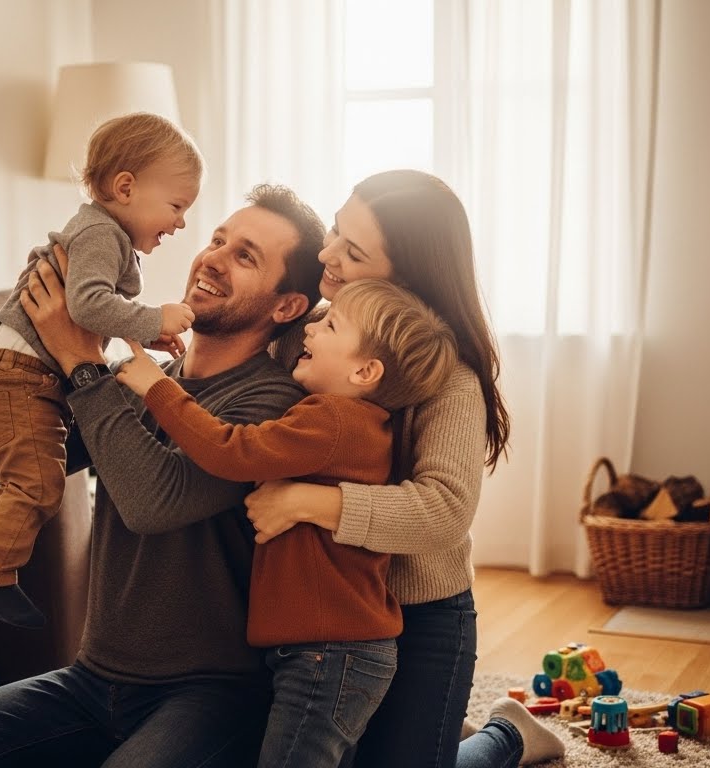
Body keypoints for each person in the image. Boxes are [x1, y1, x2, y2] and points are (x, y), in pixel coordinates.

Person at [0, 183, 328, 768]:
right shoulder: (141, 378)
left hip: (209, 693)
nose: (214, 257)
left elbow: (155, 501)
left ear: (286, 306)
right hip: (94, 679)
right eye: (219, 238)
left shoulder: (269, 405)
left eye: (246, 255)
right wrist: (29, 351)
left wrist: (83, 361)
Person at [248, 169, 563, 767]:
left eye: (354, 251)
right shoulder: (311, 332)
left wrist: (304, 502)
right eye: (336, 231)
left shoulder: (451, 382)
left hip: (422, 614)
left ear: (407, 279)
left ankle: (508, 736)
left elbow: (443, 511)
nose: (327, 254)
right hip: (324, 612)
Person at [115, 277, 458, 767]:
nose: (312, 329)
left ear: (364, 370)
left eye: (332, 324)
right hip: (334, 653)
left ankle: (504, 739)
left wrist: (157, 386)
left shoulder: (331, 420)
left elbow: (231, 450)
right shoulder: (354, 423)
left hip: (328, 656)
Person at [0, 112, 203, 628]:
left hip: (17, 372)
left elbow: (88, 311)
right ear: (126, 187)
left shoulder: (100, 232)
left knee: (23, 478)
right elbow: (90, 306)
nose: (181, 222)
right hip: (16, 375)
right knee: (39, 484)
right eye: (177, 206)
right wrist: (156, 315)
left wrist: (141, 331)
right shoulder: (101, 233)